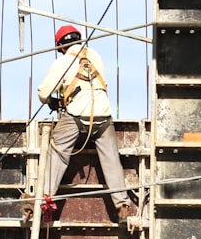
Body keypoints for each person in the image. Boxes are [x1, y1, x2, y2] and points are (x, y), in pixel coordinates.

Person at [35, 24, 137, 220]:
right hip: (103, 116)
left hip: (77, 115)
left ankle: (44, 199)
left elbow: (43, 93)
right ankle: (122, 203)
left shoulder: (63, 61)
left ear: (61, 47)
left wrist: (52, 101)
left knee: (59, 150)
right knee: (111, 159)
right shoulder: (95, 56)